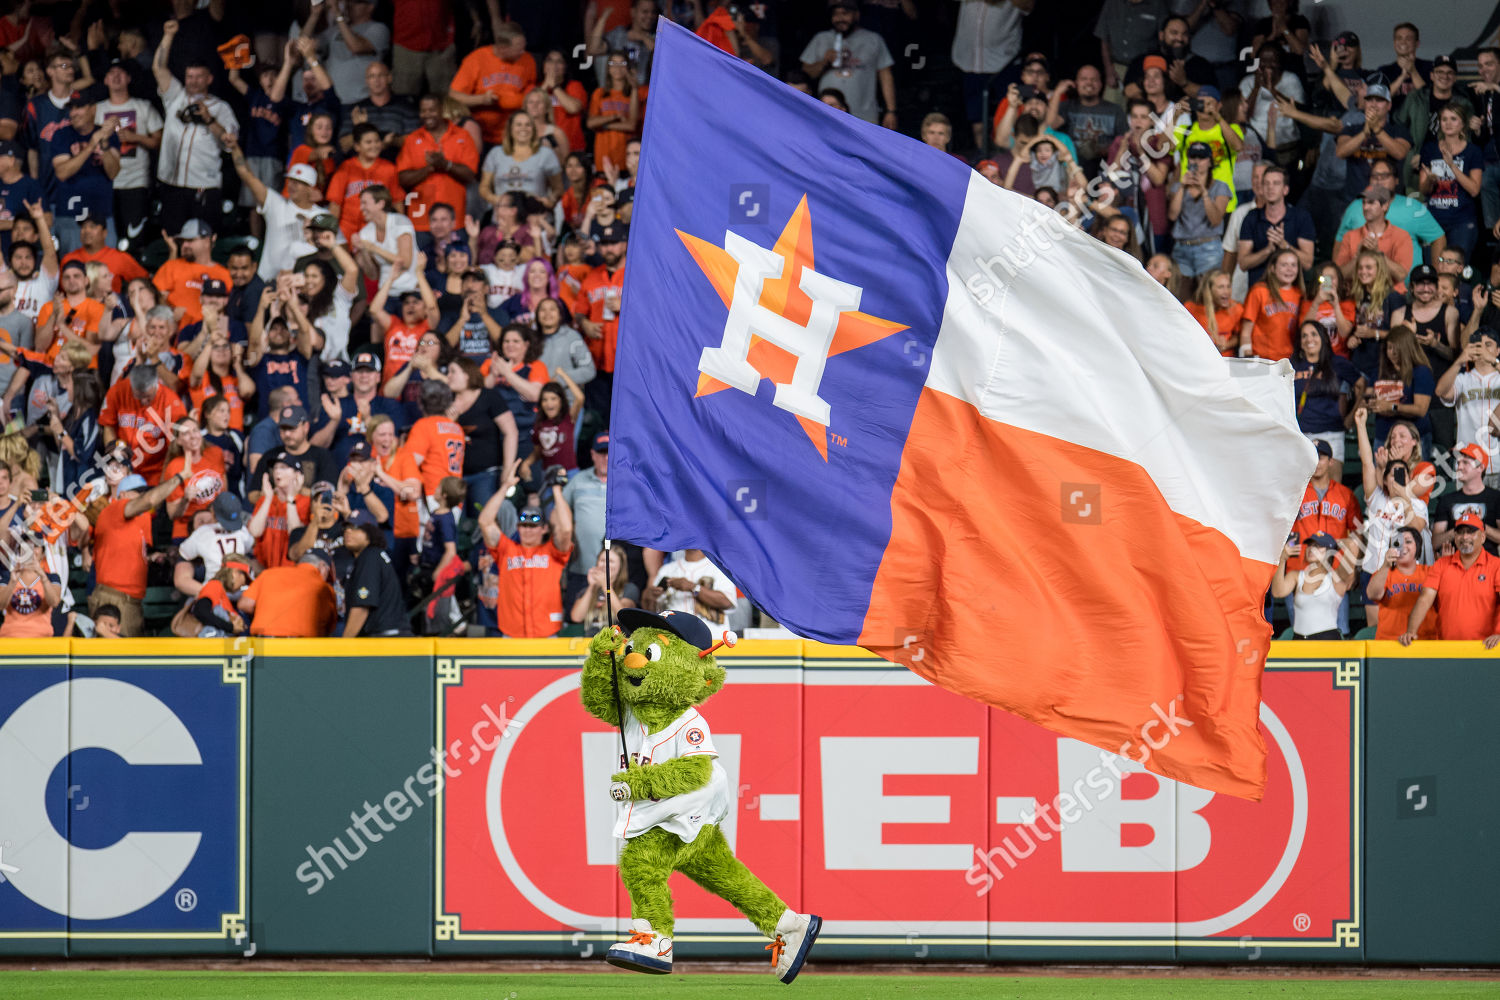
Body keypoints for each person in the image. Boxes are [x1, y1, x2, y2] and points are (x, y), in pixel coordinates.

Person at [152, 19, 239, 236]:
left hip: (204, 186)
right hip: (172, 184)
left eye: (199, 76)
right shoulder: (176, 96)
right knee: (172, 237)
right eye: (190, 76)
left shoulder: (221, 107)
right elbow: (158, 67)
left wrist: (210, 120)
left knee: (204, 238)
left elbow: (229, 143)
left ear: (209, 78)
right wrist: (168, 35)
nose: (193, 81)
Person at [476, 459, 574, 638]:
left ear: (544, 529)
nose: (528, 530)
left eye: (533, 526)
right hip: (511, 633)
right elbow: (485, 521)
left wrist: (556, 490)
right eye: (524, 526)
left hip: (547, 633)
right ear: (518, 528)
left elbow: (566, 529)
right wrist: (504, 488)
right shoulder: (506, 549)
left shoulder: (553, 552)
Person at [87, 468, 185, 635]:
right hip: (114, 597)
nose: (142, 497)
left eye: (144, 492)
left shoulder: (139, 521)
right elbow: (150, 500)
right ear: (123, 494)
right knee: (116, 656)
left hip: (131, 600)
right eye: (138, 493)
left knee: (130, 657)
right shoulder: (115, 508)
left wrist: (153, 557)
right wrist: (179, 477)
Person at [225, 139, 320, 282]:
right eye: (291, 181)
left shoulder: (321, 216)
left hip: (302, 283)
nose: (292, 186)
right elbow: (247, 176)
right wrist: (235, 148)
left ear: (310, 187)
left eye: (298, 183)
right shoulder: (277, 204)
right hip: (268, 281)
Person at [1400, 511, 1500, 646]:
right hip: (1446, 649)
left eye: (1470, 532)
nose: (1465, 537)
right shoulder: (1441, 564)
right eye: (1460, 532)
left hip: (1485, 649)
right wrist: (1411, 631)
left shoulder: (1496, 565)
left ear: (1482, 537)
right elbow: (1425, 598)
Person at [1333, 159, 1446, 270]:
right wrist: (1337, 279)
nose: (1379, 180)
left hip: (1407, 286)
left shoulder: (1413, 207)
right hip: (1362, 282)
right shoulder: (1355, 207)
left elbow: (1438, 238)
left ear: (1397, 180)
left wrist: (1438, 275)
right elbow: (1340, 241)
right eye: (1374, 176)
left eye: (1385, 176)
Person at [799, 1, 895, 127]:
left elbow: (885, 75)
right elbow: (804, 75)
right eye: (835, 14)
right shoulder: (821, 38)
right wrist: (824, 62)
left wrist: (891, 111)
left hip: (864, 115)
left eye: (845, 13)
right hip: (828, 114)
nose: (840, 18)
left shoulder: (873, 39)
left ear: (857, 15)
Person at [395, 93, 479, 234]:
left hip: (454, 219)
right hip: (420, 220)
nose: (427, 114)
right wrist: (429, 169)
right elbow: (402, 179)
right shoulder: (412, 139)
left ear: (441, 110)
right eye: (423, 110)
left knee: (456, 256)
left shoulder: (462, 136)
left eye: (432, 110)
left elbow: (470, 175)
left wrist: (447, 165)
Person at [49, 92, 121, 251]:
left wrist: (104, 143)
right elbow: (62, 173)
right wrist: (91, 145)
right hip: (69, 215)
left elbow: (113, 172)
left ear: (93, 109)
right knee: (72, 268)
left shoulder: (107, 135)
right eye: (72, 108)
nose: (73, 112)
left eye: (79, 107)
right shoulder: (62, 135)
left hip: (102, 215)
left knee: (104, 268)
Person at [447, 357, 517, 516]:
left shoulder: (489, 397)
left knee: (485, 521)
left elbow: (510, 432)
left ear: (467, 374)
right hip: (455, 476)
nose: (448, 376)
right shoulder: (446, 401)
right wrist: (449, 423)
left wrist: (507, 469)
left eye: (453, 372)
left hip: (486, 474)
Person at [448, 20, 535, 147]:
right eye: (518, 49)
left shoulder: (527, 60)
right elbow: (453, 96)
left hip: (513, 134)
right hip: (480, 133)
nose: (523, 52)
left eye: (523, 47)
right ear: (502, 48)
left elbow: (531, 90)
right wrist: (481, 99)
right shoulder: (476, 59)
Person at [1415, 105, 1484, 259]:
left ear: (1463, 124)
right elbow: (1423, 190)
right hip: (1434, 219)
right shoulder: (1429, 149)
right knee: (1434, 271)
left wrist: (1452, 165)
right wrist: (1431, 180)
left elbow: (1474, 190)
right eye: (1444, 119)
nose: (1448, 123)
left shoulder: (1473, 151)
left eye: (1453, 119)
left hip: (1462, 222)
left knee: (1454, 269)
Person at [99, 364, 185, 482]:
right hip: (124, 468)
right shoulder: (118, 391)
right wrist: (115, 459)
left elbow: (174, 448)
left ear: (156, 384)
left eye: (148, 397)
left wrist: (164, 480)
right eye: (138, 397)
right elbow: (108, 426)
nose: (143, 401)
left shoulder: (172, 403)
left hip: (155, 472)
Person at [1235, 165, 1314, 286]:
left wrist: (1285, 246)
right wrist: (1268, 250)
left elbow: (1307, 263)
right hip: (1259, 293)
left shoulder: (1301, 218)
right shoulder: (1251, 218)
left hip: (1292, 295)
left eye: (1276, 183)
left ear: (1285, 190)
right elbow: (1243, 264)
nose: (1270, 187)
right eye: (1266, 183)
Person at [1335, 84, 1412, 206]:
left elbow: (1400, 153)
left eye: (1380, 100)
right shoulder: (1351, 130)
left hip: (1389, 202)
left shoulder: (1399, 130)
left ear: (1389, 106)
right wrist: (1364, 133)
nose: (1374, 104)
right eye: (1370, 99)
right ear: (1364, 104)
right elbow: (1340, 152)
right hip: (1356, 200)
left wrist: (1376, 129)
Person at [1436, 328, 1500, 474]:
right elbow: (1440, 391)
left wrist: (1494, 362)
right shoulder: (1462, 380)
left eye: (1488, 345)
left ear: (1498, 350)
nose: (1482, 349)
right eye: (1478, 345)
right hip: (1467, 464)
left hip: (1497, 463)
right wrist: (1459, 361)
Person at [1270, 532, 1355, 640]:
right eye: (1310, 545)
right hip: (1299, 640)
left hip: (1327, 641)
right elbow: (1277, 592)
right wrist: (1282, 559)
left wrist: (1336, 543)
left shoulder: (1335, 578)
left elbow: (1352, 545)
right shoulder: (1296, 576)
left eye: (1318, 546)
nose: (1311, 548)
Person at [327, 123, 404, 240]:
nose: (374, 145)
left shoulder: (389, 168)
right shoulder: (346, 167)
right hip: (347, 230)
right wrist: (331, 232)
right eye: (368, 142)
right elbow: (335, 204)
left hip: (378, 231)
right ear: (357, 146)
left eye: (377, 141)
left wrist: (398, 231)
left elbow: (397, 202)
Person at [1365, 325, 1435, 454]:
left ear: (1407, 348)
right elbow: (1367, 398)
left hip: (1414, 438)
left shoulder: (1421, 371)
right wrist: (1371, 404)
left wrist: (1391, 407)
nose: (1393, 352)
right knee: (1382, 473)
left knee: (1416, 474)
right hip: (1384, 436)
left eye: (1397, 348)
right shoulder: (1379, 370)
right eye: (1389, 348)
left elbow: (1421, 409)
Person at [1292, 322, 1356, 461]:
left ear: (1323, 337)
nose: (1309, 339)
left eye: (1314, 334)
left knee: (1332, 482)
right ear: (1300, 342)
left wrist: (1351, 416)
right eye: (1304, 336)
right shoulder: (1292, 366)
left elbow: (1363, 385)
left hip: (1331, 433)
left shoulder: (1337, 363)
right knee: (1304, 483)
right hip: (1302, 434)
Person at [239, 548, 338, 637]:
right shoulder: (324, 588)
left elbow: (245, 604)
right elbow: (329, 626)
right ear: (322, 566)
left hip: (264, 642)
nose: (326, 578)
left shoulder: (269, 573)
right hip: (301, 648)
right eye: (327, 572)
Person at [341, 509, 409, 636]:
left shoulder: (370, 556)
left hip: (386, 639)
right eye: (347, 527)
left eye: (355, 527)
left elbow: (362, 606)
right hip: (388, 635)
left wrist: (344, 647)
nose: (348, 531)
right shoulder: (372, 556)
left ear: (370, 532)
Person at [1168, 141, 1230, 278]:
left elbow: (1216, 220)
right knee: (1181, 295)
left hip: (1208, 248)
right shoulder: (1178, 187)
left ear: (1209, 162)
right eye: (1193, 157)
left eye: (1201, 158)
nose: (1197, 161)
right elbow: (1172, 215)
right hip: (1181, 247)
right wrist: (1182, 187)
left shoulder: (1220, 187)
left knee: (1206, 294)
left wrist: (1204, 192)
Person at [154, 219, 231, 327]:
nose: (184, 245)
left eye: (190, 240)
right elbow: (153, 298)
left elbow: (228, 312)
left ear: (207, 241)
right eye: (182, 241)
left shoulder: (224, 274)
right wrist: (169, 312)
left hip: (211, 332)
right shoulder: (172, 266)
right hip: (175, 332)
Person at [1334, 185, 1412, 292]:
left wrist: (1378, 253)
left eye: (1371, 203)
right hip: (1356, 297)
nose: (1365, 207)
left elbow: (1401, 275)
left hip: (1390, 298)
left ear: (1385, 206)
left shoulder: (1401, 236)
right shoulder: (1350, 236)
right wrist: (1358, 257)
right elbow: (1340, 275)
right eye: (1364, 203)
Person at [1366, 526, 1437, 640]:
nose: (1403, 546)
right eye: (1397, 542)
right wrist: (1386, 565)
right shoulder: (1384, 572)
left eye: (1408, 542)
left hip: (1425, 642)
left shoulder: (1430, 572)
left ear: (1417, 546)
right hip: (1390, 643)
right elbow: (1372, 594)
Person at [1430, 443, 1500, 558]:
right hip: (1455, 566)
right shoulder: (1447, 500)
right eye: (1458, 463)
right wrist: (1461, 528)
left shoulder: (1496, 498)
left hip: (1489, 567)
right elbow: (1435, 542)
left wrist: (1479, 525)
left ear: (1480, 467)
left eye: (1465, 463)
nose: (1459, 467)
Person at [1391, 264, 1458, 373]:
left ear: (1436, 287)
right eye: (1421, 283)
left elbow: (1455, 356)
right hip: (1409, 379)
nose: (1426, 289)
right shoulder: (1399, 314)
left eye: (1430, 283)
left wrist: (1435, 344)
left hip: (1441, 381)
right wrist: (1409, 338)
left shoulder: (1450, 313)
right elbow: (1393, 354)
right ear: (1412, 287)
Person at [1239, 247, 1303, 361]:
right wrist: (1247, 359)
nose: (1290, 269)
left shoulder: (1300, 293)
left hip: (1290, 360)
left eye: (1294, 265)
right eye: (1284, 265)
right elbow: (1246, 330)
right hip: (1263, 360)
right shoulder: (1259, 291)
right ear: (1272, 268)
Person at [644, 548, 738, 625]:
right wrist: (649, 597)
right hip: (675, 639)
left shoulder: (719, 568)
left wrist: (693, 587)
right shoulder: (667, 570)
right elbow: (652, 611)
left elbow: (727, 602)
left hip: (713, 638)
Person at [569, 543, 638, 633]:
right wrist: (591, 587)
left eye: (610, 561)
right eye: (602, 560)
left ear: (620, 566)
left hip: (617, 643)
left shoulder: (629, 589)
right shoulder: (587, 590)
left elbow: (623, 616)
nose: (605, 564)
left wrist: (605, 585)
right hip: (591, 642)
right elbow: (576, 617)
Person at [187, 554, 250, 636]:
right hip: (211, 645)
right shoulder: (215, 585)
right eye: (245, 578)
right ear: (235, 573)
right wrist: (230, 627)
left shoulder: (222, 593)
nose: (244, 583)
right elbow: (200, 610)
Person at [1185, 269, 1241, 356]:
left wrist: (1227, 344)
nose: (1226, 291)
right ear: (1209, 289)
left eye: (1228, 286)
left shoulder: (1236, 308)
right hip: (1199, 358)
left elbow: (1240, 336)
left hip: (1226, 361)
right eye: (1221, 287)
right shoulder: (1190, 308)